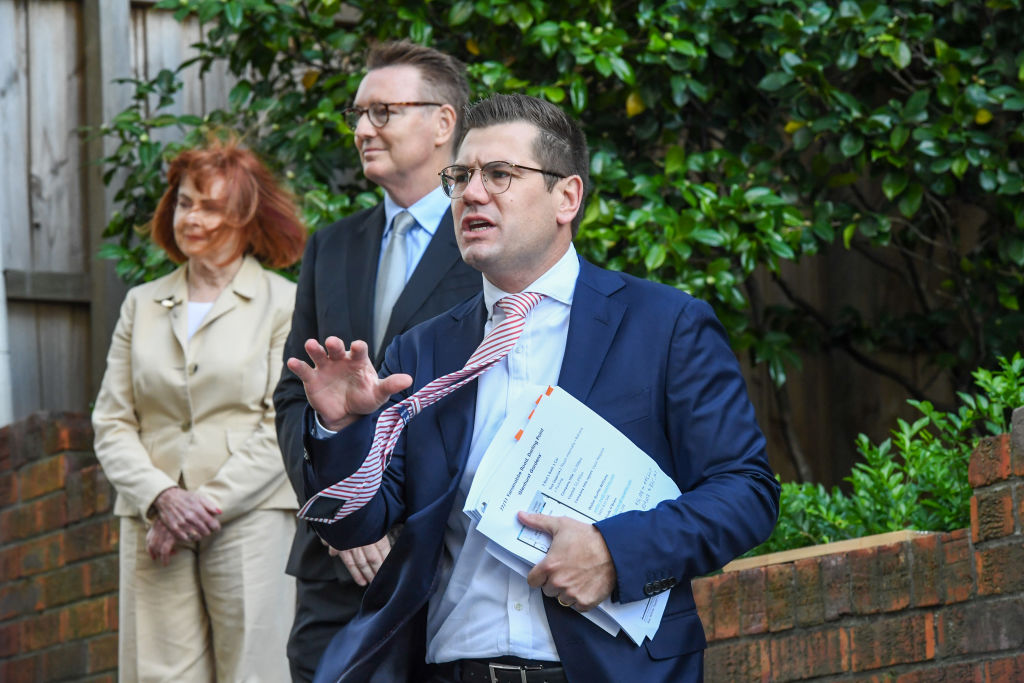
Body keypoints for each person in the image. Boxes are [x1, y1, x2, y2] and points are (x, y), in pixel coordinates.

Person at [290, 93, 781, 682]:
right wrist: (342, 431)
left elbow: (746, 492)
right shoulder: (422, 350)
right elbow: (355, 526)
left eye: (500, 175)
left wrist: (614, 552)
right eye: (461, 176)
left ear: (566, 197)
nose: (472, 193)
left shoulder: (665, 325)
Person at [273, 41, 482, 682]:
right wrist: (344, 517)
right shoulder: (330, 247)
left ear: (444, 122)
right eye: (358, 114)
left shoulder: (490, 236)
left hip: (443, 562)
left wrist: (392, 520)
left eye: (383, 111)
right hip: (334, 571)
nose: (363, 129)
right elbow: (293, 397)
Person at [92, 139, 306, 682]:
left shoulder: (285, 303)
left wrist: (200, 506)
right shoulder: (141, 302)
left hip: (251, 516)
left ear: (245, 216)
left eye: (210, 206)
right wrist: (161, 498)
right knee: (157, 673)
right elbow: (112, 420)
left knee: (255, 672)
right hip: (154, 519)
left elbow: (279, 421)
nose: (192, 217)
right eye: (185, 202)